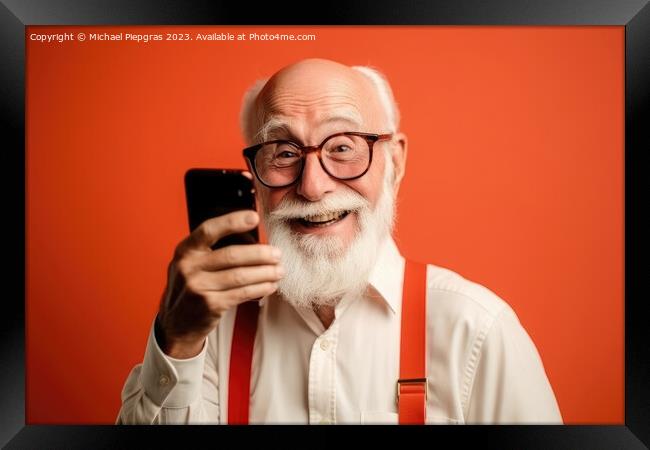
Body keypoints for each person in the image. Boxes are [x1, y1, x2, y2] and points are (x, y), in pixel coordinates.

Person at [117, 58, 562, 425]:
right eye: (285, 153)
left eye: (343, 147)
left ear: (395, 162)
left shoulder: (476, 331)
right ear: (255, 173)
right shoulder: (208, 333)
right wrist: (176, 341)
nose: (312, 187)